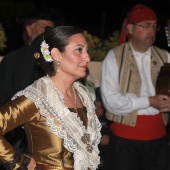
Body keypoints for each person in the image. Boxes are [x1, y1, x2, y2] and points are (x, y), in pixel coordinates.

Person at [0, 25, 101, 170]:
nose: (87, 58)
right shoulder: (37, 97)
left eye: (86, 50)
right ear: (56, 54)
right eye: (79, 50)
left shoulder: (83, 94)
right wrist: (17, 162)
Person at [101, 4, 170, 170]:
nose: (152, 31)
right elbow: (111, 102)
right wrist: (149, 101)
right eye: (146, 26)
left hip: (158, 138)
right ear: (130, 28)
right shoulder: (115, 56)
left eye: (154, 26)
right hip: (124, 141)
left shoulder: (165, 56)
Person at [0, 7, 64, 162]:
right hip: (17, 136)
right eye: (44, 27)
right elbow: (3, 97)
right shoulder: (12, 59)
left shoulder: (57, 60)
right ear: (29, 29)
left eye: (51, 29)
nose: (47, 33)